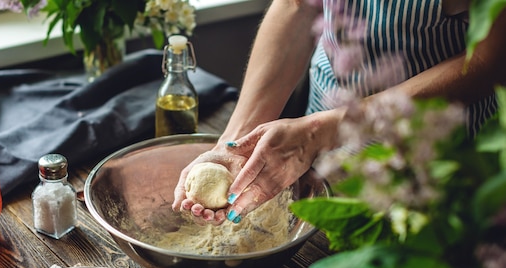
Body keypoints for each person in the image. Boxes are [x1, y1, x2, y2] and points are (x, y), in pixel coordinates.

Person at [172, 0, 506, 225]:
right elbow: (298, 4)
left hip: (435, 163)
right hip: (320, 143)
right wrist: (233, 144)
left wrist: (318, 132)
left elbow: (489, 61)